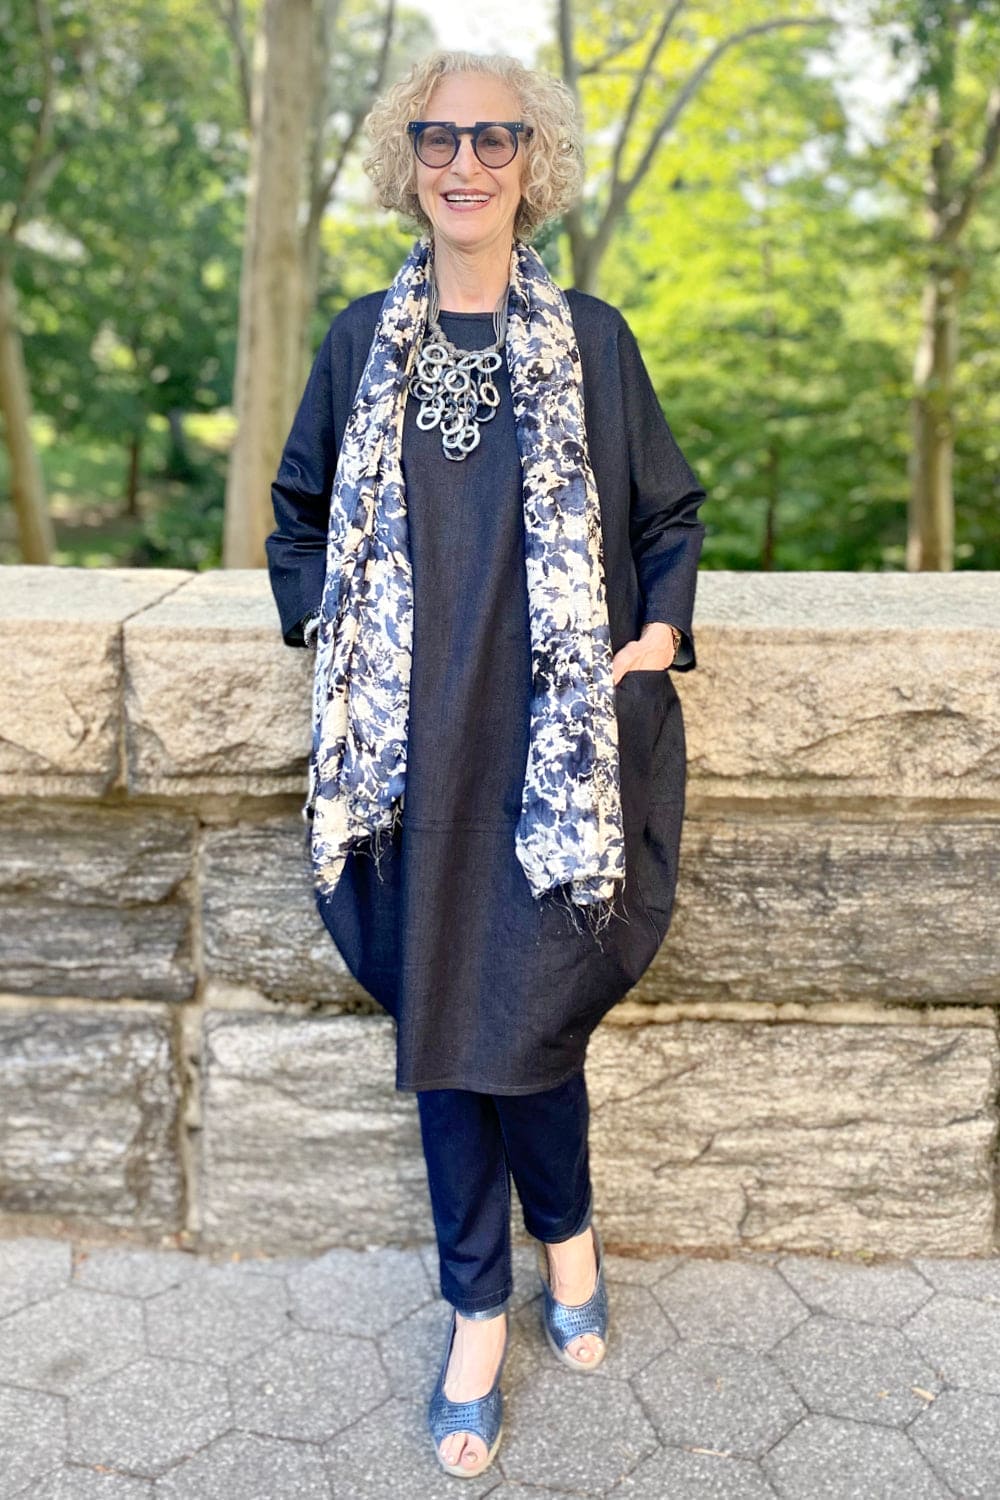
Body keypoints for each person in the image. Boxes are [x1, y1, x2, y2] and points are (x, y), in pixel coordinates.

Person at [266, 49, 706, 1480]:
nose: (466, 162)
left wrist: (654, 643)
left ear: (534, 162)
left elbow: (669, 520)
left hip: (553, 766)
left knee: (533, 1027)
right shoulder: (354, 343)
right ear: (408, 160)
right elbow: (294, 518)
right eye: (439, 137)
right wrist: (330, 631)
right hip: (407, 777)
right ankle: (478, 1308)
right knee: (450, 1044)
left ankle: (564, 1237)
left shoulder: (593, 339)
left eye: (494, 138)